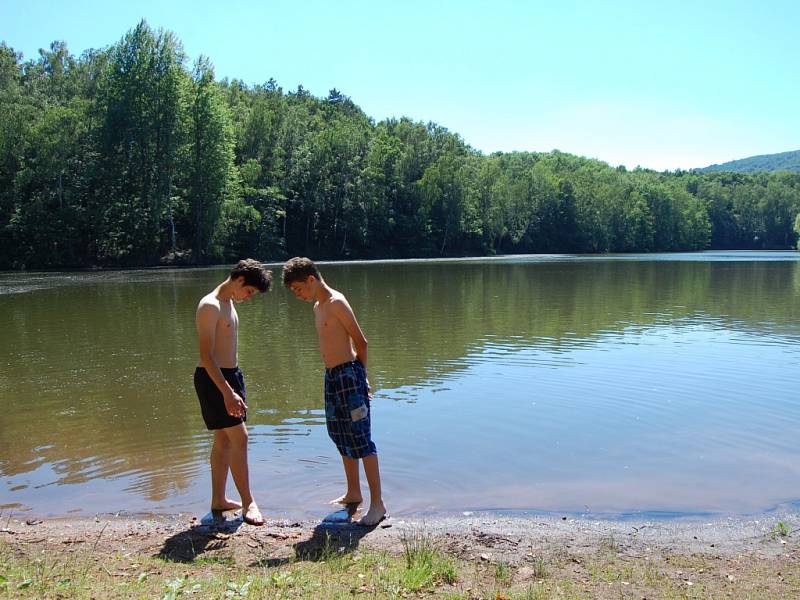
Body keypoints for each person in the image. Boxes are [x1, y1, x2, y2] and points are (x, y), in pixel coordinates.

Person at [282, 257, 387, 526]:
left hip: (350, 376)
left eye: (298, 289)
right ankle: (354, 492)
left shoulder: (337, 302)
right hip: (332, 377)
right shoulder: (318, 307)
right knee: (339, 432)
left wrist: (362, 380)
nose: (298, 295)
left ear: (311, 280)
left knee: (362, 439)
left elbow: (361, 343)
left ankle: (378, 504)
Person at [194, 258, 272, 526]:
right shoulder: (210, 306)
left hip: (230, 377)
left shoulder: (228, 303)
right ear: (239, 280)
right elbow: (206, 356)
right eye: (249, 291)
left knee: (224, 441)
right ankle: (249, 503)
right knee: (240, 438)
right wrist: (227, 391)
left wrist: (233, 384)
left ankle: (218, 500)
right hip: (215, 380)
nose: (248, 297)